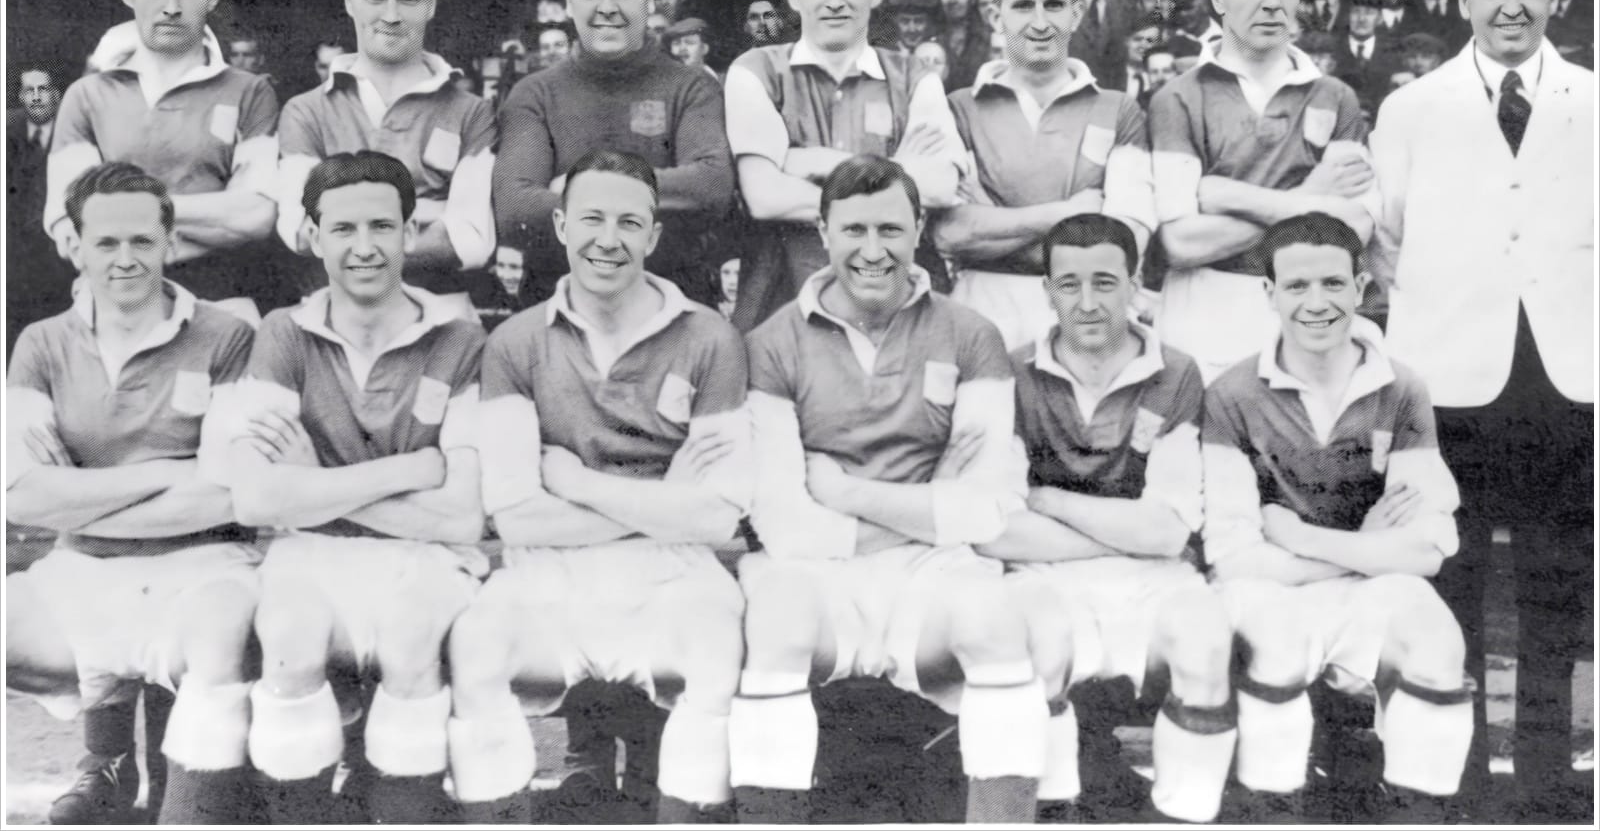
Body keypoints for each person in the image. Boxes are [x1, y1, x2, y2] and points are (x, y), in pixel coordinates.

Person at [730, 155, 1046, 824]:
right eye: (854, 230)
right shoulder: (771, 343)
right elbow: (785, 523)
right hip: (816, 573)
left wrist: (845, 493)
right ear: (823, 231)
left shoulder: (971, 334)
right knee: (777, 623)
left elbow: (986, 505)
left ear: (919, 229)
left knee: (995, 624)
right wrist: (929, 507)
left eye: (890, 230)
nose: (873, 251)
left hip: (932, 570)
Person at [446, 149, 750, 825]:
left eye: (628, 222)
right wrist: (666, 498)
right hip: (548, 570)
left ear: (654, 235)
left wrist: (575, 481)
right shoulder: (515, 342)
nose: (608, 240)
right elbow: (515, 515)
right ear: (560, 226)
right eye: (590, 219)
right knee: (477, 642)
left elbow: (717, 518)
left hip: (674, 572)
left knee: (716, 643)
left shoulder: (711, 337)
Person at [1369, 0, 1594, 821]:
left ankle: (1546, 786)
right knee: (1449, 589)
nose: (1512, 7)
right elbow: (1384, 243)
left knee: (1557, 591)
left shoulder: (1592, 100)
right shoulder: (1412, 108)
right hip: (1449, 388)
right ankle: (1451, 788)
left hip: (1569, 384)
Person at [221, 151, 486, 824]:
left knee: (410, 637)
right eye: (343, 229)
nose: (364, 248)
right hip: (310, 553)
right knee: (289, 635)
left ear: (410, 232)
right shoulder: (283, 332)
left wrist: (314, 483)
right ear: (313, 237)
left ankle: (404, 811)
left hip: (427, 558)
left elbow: (461, 516)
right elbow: (256, 499)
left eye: (381, 226)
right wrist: (407, 471)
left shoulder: (461, 339)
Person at [6, 162, 259, 825]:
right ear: (75, 246)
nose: (125, 258)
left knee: (219, 637)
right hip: (81, 568)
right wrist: (166, 472)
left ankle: (193, 801)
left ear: (170, 242)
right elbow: (21, 497)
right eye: (107, 242)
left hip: (203, 565)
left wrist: (80, 497)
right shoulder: (41, 343)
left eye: (142, 240)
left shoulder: (228, 337)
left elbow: (229, 495)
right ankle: (108, 768)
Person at [1202, 213, 1471, 823]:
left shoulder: (1401, 388)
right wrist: (1361, 546)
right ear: (1269, 293)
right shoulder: (1231, 394)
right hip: (1271, 588)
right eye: (1297, 286)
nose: (1317, 303)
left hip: (1360, 581)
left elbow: (1427, 547)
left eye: (1332, 283)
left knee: (1436, 642)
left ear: (1361, 287)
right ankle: (1272, 810)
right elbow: (1234, 556)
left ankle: (1415, 814)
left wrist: (1303, 537)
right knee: (1276, 644)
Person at [981, 214, 1233, 824]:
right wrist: (1129, 534)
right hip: (1042, 573)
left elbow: (1169, 531)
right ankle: (1053, 811)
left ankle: (1183, 815)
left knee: (1205, 642)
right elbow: (997, 529)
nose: (1088, 303)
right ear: (1048, 291)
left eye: (1105, 282)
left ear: (1134, 287)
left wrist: (1051, 500)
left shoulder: (1177, 372)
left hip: (1154, 578)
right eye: (1069, 284)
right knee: (1032, 644)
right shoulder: (1010, 373)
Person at [1148, 0, 1379, 382]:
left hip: (1307, 318)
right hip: (1203, 323)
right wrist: (1310, 197)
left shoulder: (1336, 96)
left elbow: (1355, 227)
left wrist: (1227, 195)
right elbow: (1181, 243)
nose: (1272, 1)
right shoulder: (1176, 98)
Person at [723, 0, 964, 332]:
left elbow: (941, 186)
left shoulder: (915, 76)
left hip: (897, 301)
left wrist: (810, 160)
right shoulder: (755, 70)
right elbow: (764, 196)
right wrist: (894, 174)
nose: (834, 0)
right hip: (784, 300)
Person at [45, 0, 283, 324]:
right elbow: (69, 223)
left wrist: (123, 217)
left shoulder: (251, 92)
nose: (171, 6)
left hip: (220, 304)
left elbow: (256, 216)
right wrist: (207, 218)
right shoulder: (86, 96)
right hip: (112, 310)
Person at [495, 0, 734, 308]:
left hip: (672, 306)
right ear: (568, 0)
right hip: (559, 309)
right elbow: (514, 208)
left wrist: (575, 189)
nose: (607, 7)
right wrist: (647, 196)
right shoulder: (534, 94)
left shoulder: (692, 88)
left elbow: (711, 186)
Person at [940, 0, 1152, 350]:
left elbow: (1126, 242)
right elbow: (951, 233)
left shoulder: (1119, 109)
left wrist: (994, 223)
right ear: (995, 17)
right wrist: (1071, 213)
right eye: (1023, 7)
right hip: (982, 315)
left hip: (1086, 314)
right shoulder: (960, 107)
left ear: (1076, 14)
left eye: (1053, 6)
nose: (1040, 23)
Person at [277, 0, 497, 321]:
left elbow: (472, 241)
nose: (391, 16)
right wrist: (431, 213)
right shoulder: (306, 111)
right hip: (334, 319)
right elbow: (298, 232)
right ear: (349, 1)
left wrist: (343, 225)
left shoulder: (472, 113)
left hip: (442, 319)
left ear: (430, 5)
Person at [7, 64, 75, 355]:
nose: (36, 97)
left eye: (43, 90)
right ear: (21, 97)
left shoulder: (73, 132)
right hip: (14, 257)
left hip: (57, 257)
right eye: (29, 91)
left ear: (56, 96)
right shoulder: (7, 131)